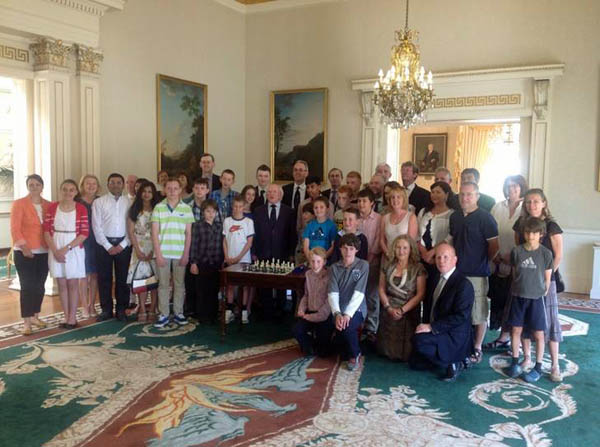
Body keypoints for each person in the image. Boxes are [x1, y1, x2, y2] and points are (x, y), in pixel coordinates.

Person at [513, 188, 564, 382]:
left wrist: (545, 278)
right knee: (524, 321)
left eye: (535, 201)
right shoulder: (520, 224)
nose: (531, 205)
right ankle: (526, 358)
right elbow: (518, 251)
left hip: (544, 282)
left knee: (548, 323)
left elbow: (557, 255)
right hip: (524, 282)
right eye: (528, 202)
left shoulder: (551, 226)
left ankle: (554, 365)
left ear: (544, 203)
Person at [448, 181, 499, 364]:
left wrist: (484, 262)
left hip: (477, 273)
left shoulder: (486, 218)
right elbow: (452, 241)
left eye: (469, 194)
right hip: (457, 273)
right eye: (462, 194)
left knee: (478, 312)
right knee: (460, 310)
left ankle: (477, 347)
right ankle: (461, 343)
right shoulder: (455, 217)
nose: (465, 198)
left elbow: (494, 247)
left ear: (477, 196)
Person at [411, 243, 475, 382]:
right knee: (415, 362)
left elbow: (460, 316)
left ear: (455, 260)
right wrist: (425, 324)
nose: (441, 261)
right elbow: (429, 306)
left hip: (454, 334)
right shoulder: (435, 278)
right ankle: (442, 358)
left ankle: (454, 361)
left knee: (419, 342)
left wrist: (431, 327)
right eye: (438, 257)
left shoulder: (464, 284)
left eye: (446, 257)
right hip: (438, 328)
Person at [505, 217, 553, 383]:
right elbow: (514, 273)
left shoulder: (546, 253)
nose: (530, 235)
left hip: (536, 299)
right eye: (527, 232)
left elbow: (547, 278)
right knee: (516, 330)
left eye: (534, 232)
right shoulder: (517, 251)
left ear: (541, 234)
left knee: (538, 333)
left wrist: (541, 292)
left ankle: (538, 367)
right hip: (518, 297)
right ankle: (515, 362)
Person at [484, 174, 528, 349]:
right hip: (496, 260)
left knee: (515, 301)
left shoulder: (526, 208)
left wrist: (514, 258)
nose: (512, 190)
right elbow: (489, 232)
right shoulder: (497, 207)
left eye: (516, 186)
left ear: (521, 188)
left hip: (519, 263)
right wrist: (496, 256)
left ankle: (514, 339)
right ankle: (503, 336)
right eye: (509, 186)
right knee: (499, 298)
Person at [43, 179, 89, 329]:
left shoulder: (81, 208)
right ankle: (66, 315)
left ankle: (72, 317)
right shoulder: (52, 207)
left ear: (76, 192)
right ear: (60, 191)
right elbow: (46, 231)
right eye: (65, 189)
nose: (68, 192)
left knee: (73, 284)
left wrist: (66, 248)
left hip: (74, 247)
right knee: (61, 284)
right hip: (55, 246)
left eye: (71, 189)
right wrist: (55, 250)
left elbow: (84, 233)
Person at [10, 174, 50, 335]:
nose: (34, 187)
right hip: (24, 251)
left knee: (40, 285)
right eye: (31, 184)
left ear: (42, 186)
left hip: (44, 251)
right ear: (28, 187)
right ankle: (26, 323)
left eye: (37, 184)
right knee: (27, 286)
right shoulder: (19, 204)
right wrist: (24, 247)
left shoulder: (49, 204)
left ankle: (35, 316)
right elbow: (14, 228)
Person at [151, 178, 194, 328]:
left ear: (180, 190)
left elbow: (188, 234)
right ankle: (163, 314)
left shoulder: (186, 209)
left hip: (180, 253)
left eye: (175, 188)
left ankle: (178, 313)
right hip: (163, 253)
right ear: (164, 190)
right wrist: (158, 254)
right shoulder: (158, 208)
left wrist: (186, 255)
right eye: (169, 188)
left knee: (179, 284)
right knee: (163, 285)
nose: (172, 191)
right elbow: (154, 233)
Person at [377, 235, 427, 361]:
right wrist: (388, 307)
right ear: (394, 249)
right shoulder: (387, 265)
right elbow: (381, 289)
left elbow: (420, 294)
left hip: (408, 308)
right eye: (398, 247)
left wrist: (402, 310)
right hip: (390, 306)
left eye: (405, 248)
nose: (401, 251)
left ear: (411, 249)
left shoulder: (418, 268)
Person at [92, 173, 132, 322]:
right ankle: (106, 310)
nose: (116, 185)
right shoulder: (99, 202)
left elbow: (131, 227)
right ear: (108, 184)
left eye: (119, 182)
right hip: (103, 245)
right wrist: (108, 246)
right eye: (112, 182)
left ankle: (121, 309)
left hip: (124, 244)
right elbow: (96, 227)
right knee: (104, 279)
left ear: (123, 185)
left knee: (123, 279)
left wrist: (122, 245)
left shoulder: (129, 202)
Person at [253, 184, 297, 316]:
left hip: (282, 253)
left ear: (280, 195)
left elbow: (292, 234)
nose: (271, 194)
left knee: (281, 284)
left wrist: (291, 253)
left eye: (274, 192)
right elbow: (254, 233)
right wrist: (254, 252)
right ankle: (266, 310)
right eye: (269, 191)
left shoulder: (289, 211)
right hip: (263, 252)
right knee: (264, 283)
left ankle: (280, 310)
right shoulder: (258, 211)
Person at [328, 233, 369, 371]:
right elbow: (332, 293)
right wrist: (338, 314)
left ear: (356, 250)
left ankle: (355, 354)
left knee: (347, 327)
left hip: (356, 309)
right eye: (345, 248)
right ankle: (347, 346)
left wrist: (347, 315)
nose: (348, 252)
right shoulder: (334, 268)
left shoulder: (363, 265)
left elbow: (359, 293)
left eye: (351, 248)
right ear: (340, 249)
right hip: (338, 309)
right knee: (335, 345)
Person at [126, 181, 160, 323]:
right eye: (144, 191)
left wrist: (153, 249)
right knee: (141, 280)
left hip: (154, 246)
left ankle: (152, 309)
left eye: (150, 192)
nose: (147, 194)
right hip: (139, 246)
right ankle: (142, 308)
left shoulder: (158, 209)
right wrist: (138, 250)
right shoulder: (134, 209)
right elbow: (131, 231)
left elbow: (160, 231)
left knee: (154, 279)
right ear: (140, 193)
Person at [292, 247, 333, 356]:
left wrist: (310, 317)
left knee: (323, 351)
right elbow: (306, 295)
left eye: (318, 261)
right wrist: (301, 310)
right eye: (313, 261)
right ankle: (310, 345)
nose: (315, 265)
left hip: (324, 315)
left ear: (324, 262)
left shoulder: (329, 276)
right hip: (310, 312)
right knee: (297, 330)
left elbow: (329, 302)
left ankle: (318, 346)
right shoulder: (308, 274)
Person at [190, 199, 224, 323]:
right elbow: (193, 245)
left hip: (215, 263)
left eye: (213, 211)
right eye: (207, 211)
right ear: (203, 212)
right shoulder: (197, 225)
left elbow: (222, 245)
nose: (210, 214)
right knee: (201, 290)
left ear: (216, 213)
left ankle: (213, 315)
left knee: (213, 290)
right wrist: (193, 262)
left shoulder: (220, 226)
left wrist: (222, 261)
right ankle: (202, 315)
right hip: (201, 262)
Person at [223, 195, 255, 324]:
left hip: (244, 259)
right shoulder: (227, 221)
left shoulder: (248, 222)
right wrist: (227, 256)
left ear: (244, 207)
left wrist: (238, 257)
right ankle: (229, 311)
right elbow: (224, 240)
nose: (237, 209)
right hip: (229, 259)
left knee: (245, 287)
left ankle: (243, 312)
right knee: (230, 286)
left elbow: (249, 243)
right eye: (235, 206)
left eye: (240, 206)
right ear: (232, 206)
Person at [357, 188, 382, 341]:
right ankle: (359, 325)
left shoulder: (379, 219)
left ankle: (371, 328)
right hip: (357, 263)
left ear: (372, 203)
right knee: (358, 295)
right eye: (359, 201)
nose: (361, 204)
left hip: (373, 262)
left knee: (372, 295)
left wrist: (369, 258)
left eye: (364, 201)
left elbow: (379, 240)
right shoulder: (354, 218)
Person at [417, 181, 454, 278]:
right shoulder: (424, 211)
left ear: (446, 195)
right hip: (422, 256)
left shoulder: (452, 214)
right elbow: (417, 234)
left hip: (441, 258)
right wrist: (424, 253)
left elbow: (450, 237)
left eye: (438, 192)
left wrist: (433, 252)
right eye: (432, 192)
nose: (434, 195)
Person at [77, 174, 101, 318]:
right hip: (82, 241)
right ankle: (84, 306)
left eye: (94, 184)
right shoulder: (77, 201)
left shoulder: (100, 201)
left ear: (97, 186)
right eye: (88, 183)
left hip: (98, 241)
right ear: (83, 186)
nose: (91, 186)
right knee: (83, 275)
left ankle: (92, 305)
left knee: (95, 275)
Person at [379, 185, 418, 268]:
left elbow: (411, 242)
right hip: (388, 258)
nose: (395, 200)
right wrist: (388, 254)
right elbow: (382, 240)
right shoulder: (384, 218)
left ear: (404, 199)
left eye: (398, 197)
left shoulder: (411, 217)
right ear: (389, 200)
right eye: (392, 197)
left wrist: (400, 257)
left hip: (405, 259)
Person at [302, 197, 338, 261]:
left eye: (321, 207)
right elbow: (306, 246)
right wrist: (311, 259)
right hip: (311, 259)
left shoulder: (332, 226)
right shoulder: (310, 225)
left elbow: (333, 246)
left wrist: (321, 259)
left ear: (327, 209)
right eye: (316, 208)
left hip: (325, 260)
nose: (318, 210)